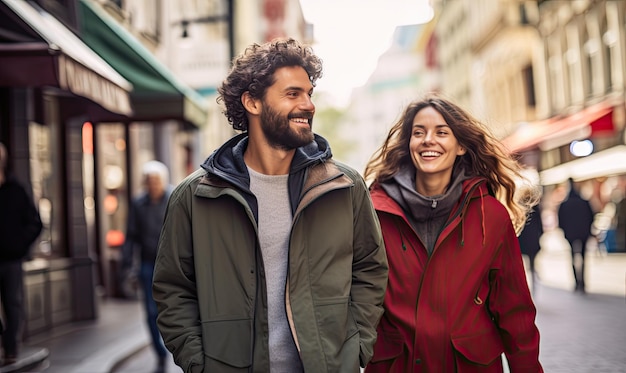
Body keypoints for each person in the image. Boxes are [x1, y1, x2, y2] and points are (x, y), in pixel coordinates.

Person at [152, 37, 388, 372]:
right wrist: (198, 362)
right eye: (293, 94)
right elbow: (173, 288)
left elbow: (370, 269)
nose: (308, 105)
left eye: (309, 93)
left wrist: (355, 348)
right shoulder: (196, 196)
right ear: (252, 102)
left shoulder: (343, 187)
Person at [363, 95, 543, 372]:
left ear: (460, 146)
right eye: (418, 133)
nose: (428, 140)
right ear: (408, 144)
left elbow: (514, 310)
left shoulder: (490, 216)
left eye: (442, 132)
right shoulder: (376, 213)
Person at [121, 160, 172, 373]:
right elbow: (130, 235)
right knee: (151, 312)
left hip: (170, 264)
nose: (153, 185)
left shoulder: (173, 198)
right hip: (146, 263)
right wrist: (126, 265)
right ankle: (160, 353)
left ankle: (176, 347)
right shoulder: (137, 203)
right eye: (149, 181)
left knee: (171, 308)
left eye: (157, 181)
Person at [0, 142, 43, 365]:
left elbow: (35, 223)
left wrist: (19, 245)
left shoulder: (17, 189)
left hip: (11, 259)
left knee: (12, 304)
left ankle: (11, 348)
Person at [557, 177, 595, 293]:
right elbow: (591, 217)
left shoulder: (564, 204)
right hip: (583, 233)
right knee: (583, 257)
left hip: (571, 233)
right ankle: (582, 282)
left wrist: (564, 231)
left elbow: (561, 220)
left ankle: (576, 282)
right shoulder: (584, 202)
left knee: (572, 257)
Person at [518, 192, 544, 293]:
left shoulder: (519, 207)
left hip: (523, 240)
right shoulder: (535, 208)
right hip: (533, 240)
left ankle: (525, 285)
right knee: (532, 263)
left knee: (522, 265)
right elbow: (540, 225)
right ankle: (533, 283)